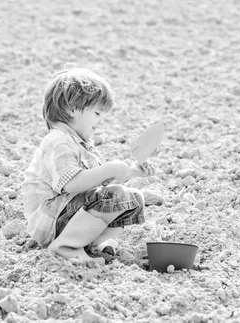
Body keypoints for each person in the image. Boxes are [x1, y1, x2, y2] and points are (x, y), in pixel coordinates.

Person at [21, 64, 155, 261]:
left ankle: (89, 243)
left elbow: (95, 188)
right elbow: (72, 184)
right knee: (116, 197)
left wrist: (131, 171)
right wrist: (109, 169)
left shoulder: (80, 143)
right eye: (97, 113)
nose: (100, 122)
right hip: (52, 220)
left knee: (133, 198)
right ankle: (66, 246)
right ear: (73, 108)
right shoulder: (58, 141)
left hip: (69, 212)